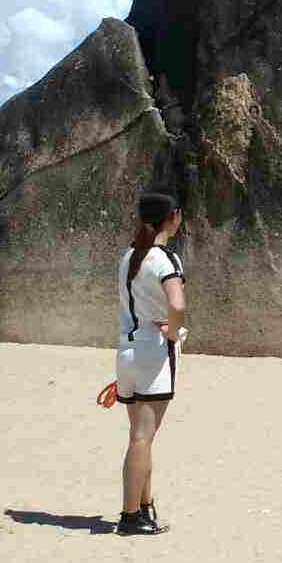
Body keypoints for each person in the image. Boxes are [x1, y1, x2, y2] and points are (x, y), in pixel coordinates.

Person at [115, 191, 186, 536]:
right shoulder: (164, 259)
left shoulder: (130, 255)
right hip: (152, 355)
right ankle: (130, 516)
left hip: (126, 353)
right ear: (172, 217)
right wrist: (173, 333)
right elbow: (177, 304)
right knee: (143, 438)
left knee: (139, 436)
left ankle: (144, 509)